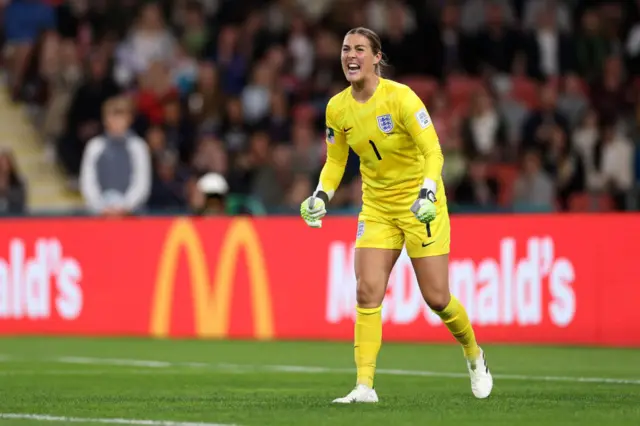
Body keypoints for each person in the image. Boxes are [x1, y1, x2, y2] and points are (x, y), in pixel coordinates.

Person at [299, 27, 493, 403]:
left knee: (437, 298)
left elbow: (433, 152)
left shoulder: (402, 98)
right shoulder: (337, 108)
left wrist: (429, 191)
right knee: (367, 290)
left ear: (376, 57)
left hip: (421, 203)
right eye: (344, 49)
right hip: (377, 207)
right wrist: (322, 194)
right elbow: (336, 160)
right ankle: (364, 386)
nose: (350, 56)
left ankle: (474, 354)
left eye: (358, 49)